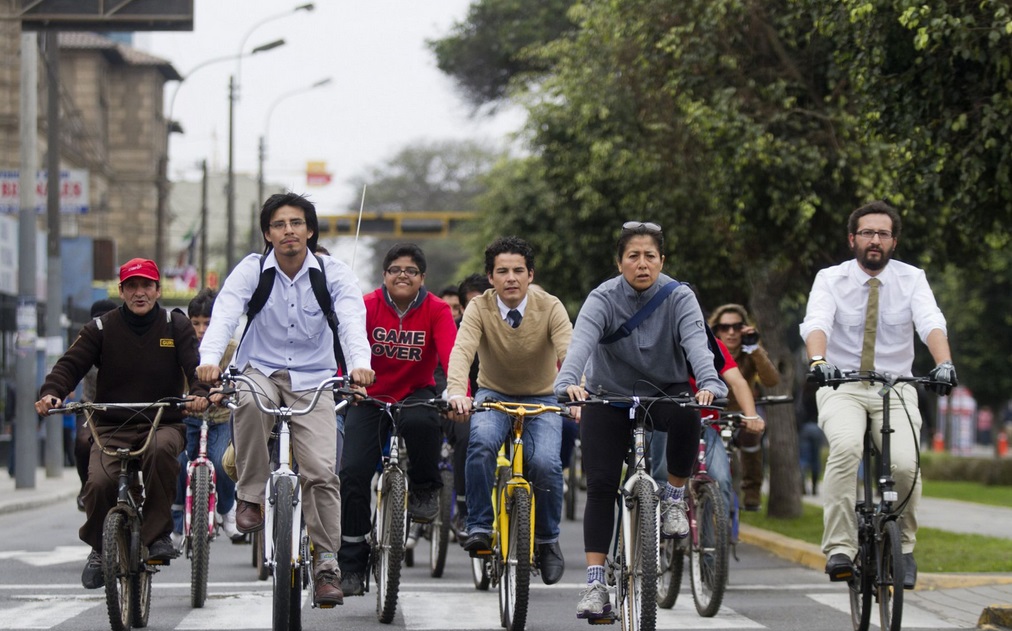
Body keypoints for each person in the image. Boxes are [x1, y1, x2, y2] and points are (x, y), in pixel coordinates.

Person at [197, 192, 375, 607]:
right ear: (268, 234)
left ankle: (327, 563)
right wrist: (208, 360)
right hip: (261, 367)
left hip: (314, 378)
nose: (288, 231)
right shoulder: (252, 269)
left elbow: (351, 321)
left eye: (296, 223)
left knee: (321, 471)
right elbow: (225, 313)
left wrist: (360, 365)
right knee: (249, 398)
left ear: (310, 231)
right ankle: (250, 495)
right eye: (279, 224)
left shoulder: (332, 274)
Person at [554, 221, 727, 619]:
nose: (642, 264)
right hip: (608, 397)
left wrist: (708, 382)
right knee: (599, 485)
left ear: (662, 260)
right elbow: (580, 344)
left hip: (665, 393)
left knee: (688, 413)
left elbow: (697, 344)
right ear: (620, 262)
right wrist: (567, 383)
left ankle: (672, 497)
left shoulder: (679, 296)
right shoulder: (602, 298)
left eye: (650, 256)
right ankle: (596, 583)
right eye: (633, 256)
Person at [800, 200, 957, 590]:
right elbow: (816, 322)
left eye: (883, 234)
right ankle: (839, 547)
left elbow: (930, 321)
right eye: (867, 233)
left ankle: (902, 548)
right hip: (841, 386)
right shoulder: (830, 279)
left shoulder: (912, 278)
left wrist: (944, 363)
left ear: (894, 241)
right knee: (846, 448)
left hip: (896, 385)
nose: (875, 240)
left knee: (905, 464)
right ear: (852, 238)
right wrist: (819, 362)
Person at [34, 258, 210, 589]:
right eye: (132, 286)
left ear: (158, 290)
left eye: (146, 286)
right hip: (111, 427)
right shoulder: (101, 328)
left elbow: (194, 368)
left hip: (162, 421)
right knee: (99, 483)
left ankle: (157, 535)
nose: (139, 293)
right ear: (122, 291)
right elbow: (69, 365)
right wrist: (52, 392)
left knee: (160, 452)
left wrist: (199, 393)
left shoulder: (176, 325)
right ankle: (101, 549)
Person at [447, 236, 572, 587]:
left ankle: (547, 541)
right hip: (493, 394)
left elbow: (569, 350)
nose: (511, 278)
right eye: (502, 271)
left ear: (530, 275)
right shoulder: (479, 308)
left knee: (546, 464)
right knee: (481, 443)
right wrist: (458, 391)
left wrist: (575, 386)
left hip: (543, 398)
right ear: (491, 277)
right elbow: (462, 352)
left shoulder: (550, 306)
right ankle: (479, 525)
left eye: (519, 270)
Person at [338, 243, 457, 596]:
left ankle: (423, 489)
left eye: (411, 270)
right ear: (384, 275)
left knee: (424, 423)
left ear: (422, 278)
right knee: (354, 472)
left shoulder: (437, 309)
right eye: (395, 269)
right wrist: (348, 381)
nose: (402, 275)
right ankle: (352, 563)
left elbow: (452, 354)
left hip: (414, 392)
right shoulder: (366, 305)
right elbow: (346, 344)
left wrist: (456, 391)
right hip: (368, 395)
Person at [170, 289, 241, 548]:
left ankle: (226, 509)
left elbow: (237, 377)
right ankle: (176, 521)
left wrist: (225, 391)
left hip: (221, 418)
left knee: (223, 464)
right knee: (177, 463)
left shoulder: (232, 348)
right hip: (187, 417)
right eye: (195, 323)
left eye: (208, 324)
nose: (201, 330)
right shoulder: (181, 345)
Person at [709, 303, 780, 510]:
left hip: (741, 412)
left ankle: (752, 493)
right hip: (713, 412)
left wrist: (755, 348)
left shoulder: (750, 352)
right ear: (716, 331)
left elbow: (771, 380)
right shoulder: (707, 350)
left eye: (737, 327)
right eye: (724, 328)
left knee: (752, 436)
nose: (731, 332)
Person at [73, 298, 117, 511]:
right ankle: (85, 487)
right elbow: (70, 366)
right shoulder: (85, 342)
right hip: (90, 406)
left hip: (123, 407)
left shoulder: (126, 341)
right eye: (97, 321)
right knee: (83, 441)